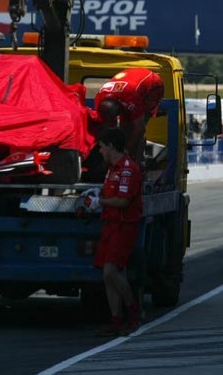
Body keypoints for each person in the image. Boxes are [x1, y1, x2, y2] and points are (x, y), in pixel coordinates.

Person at [92, 127, 144, 337]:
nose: (100, 151)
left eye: (102, 147)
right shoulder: (112, 169)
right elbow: (110, 193)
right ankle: (116, 319)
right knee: (108, 275)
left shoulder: (127, 170)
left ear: (111, 146)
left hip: (124, 227)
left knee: (111, 271)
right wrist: (97, 194)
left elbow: (123, 201)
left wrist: (99, 202)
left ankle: (133, 311)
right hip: (111, 226)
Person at [94, 68, 164, 163]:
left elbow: (140, 128)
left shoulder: (131, 97)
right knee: (121, 129)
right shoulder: (99, 98)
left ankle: (135, 162)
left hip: (153, 85)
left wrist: (127, 152)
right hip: (128, 87)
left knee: (135, 128)